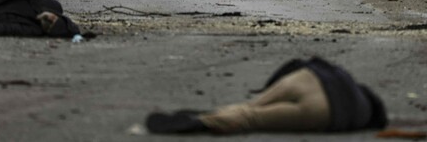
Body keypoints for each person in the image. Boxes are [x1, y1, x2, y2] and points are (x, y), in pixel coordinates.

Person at [145, 57, 387, 134]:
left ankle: (233, 109)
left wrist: (267, 88)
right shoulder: (362, 114)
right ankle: (206, 122)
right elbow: (343, 123)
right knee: (253, 119)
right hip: (325, 109)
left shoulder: (346, 78)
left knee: (253, 106)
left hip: (307, 77)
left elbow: (298, 63)